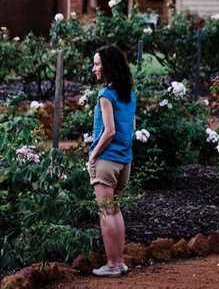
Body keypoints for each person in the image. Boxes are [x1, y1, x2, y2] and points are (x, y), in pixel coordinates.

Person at [87, 44, 137, 276]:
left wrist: (93, 156)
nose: (94, 68)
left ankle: (112, 265)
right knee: (115, 211)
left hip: (106, 161)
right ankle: (119, 262)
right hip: (124, 160)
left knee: (105, 213)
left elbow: (109, 131)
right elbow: (131, 128)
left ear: (108, 67)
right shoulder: (129, 93)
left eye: (97, 63)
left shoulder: (105, 95)